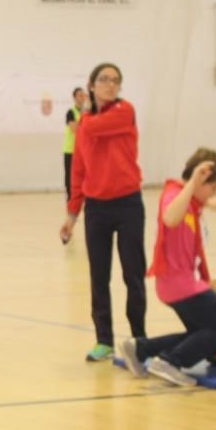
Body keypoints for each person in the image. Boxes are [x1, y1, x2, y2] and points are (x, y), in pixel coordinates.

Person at [118, 148, 216, 386]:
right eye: (213, 188)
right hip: (181, 284)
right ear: (199, 180)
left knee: (204, 333)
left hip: (180, 284)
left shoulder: (190, 200)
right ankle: (170, 361)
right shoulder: (174, 194)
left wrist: (211, 202)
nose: (213, 194)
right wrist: (196, 180)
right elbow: (170, 218)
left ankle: (139, 349)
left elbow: (193, 204)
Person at [58, 63, 147, 362]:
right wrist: (72, 215)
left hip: (128, 204)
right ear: (92, 85)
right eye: (104, 79)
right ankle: (104, 340)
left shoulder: (124, 111)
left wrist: (82, 114)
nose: (111, 84)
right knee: (99, 277)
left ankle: (139, 338)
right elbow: (79, 170)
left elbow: (93, 126)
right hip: (97, 209)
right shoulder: (85, 124)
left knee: (133, 274)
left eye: (115, 80)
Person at [62, 86, 88, 201]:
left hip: (84, 150)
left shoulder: (88, 112)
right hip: (70, 150)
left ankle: (85, 196)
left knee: (86, 175)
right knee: (70, 176)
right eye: (80, 95)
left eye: (84, 95)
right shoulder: (70, 112)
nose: (82, 97)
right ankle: (71, 198)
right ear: (74, 98)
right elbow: (75, 129)